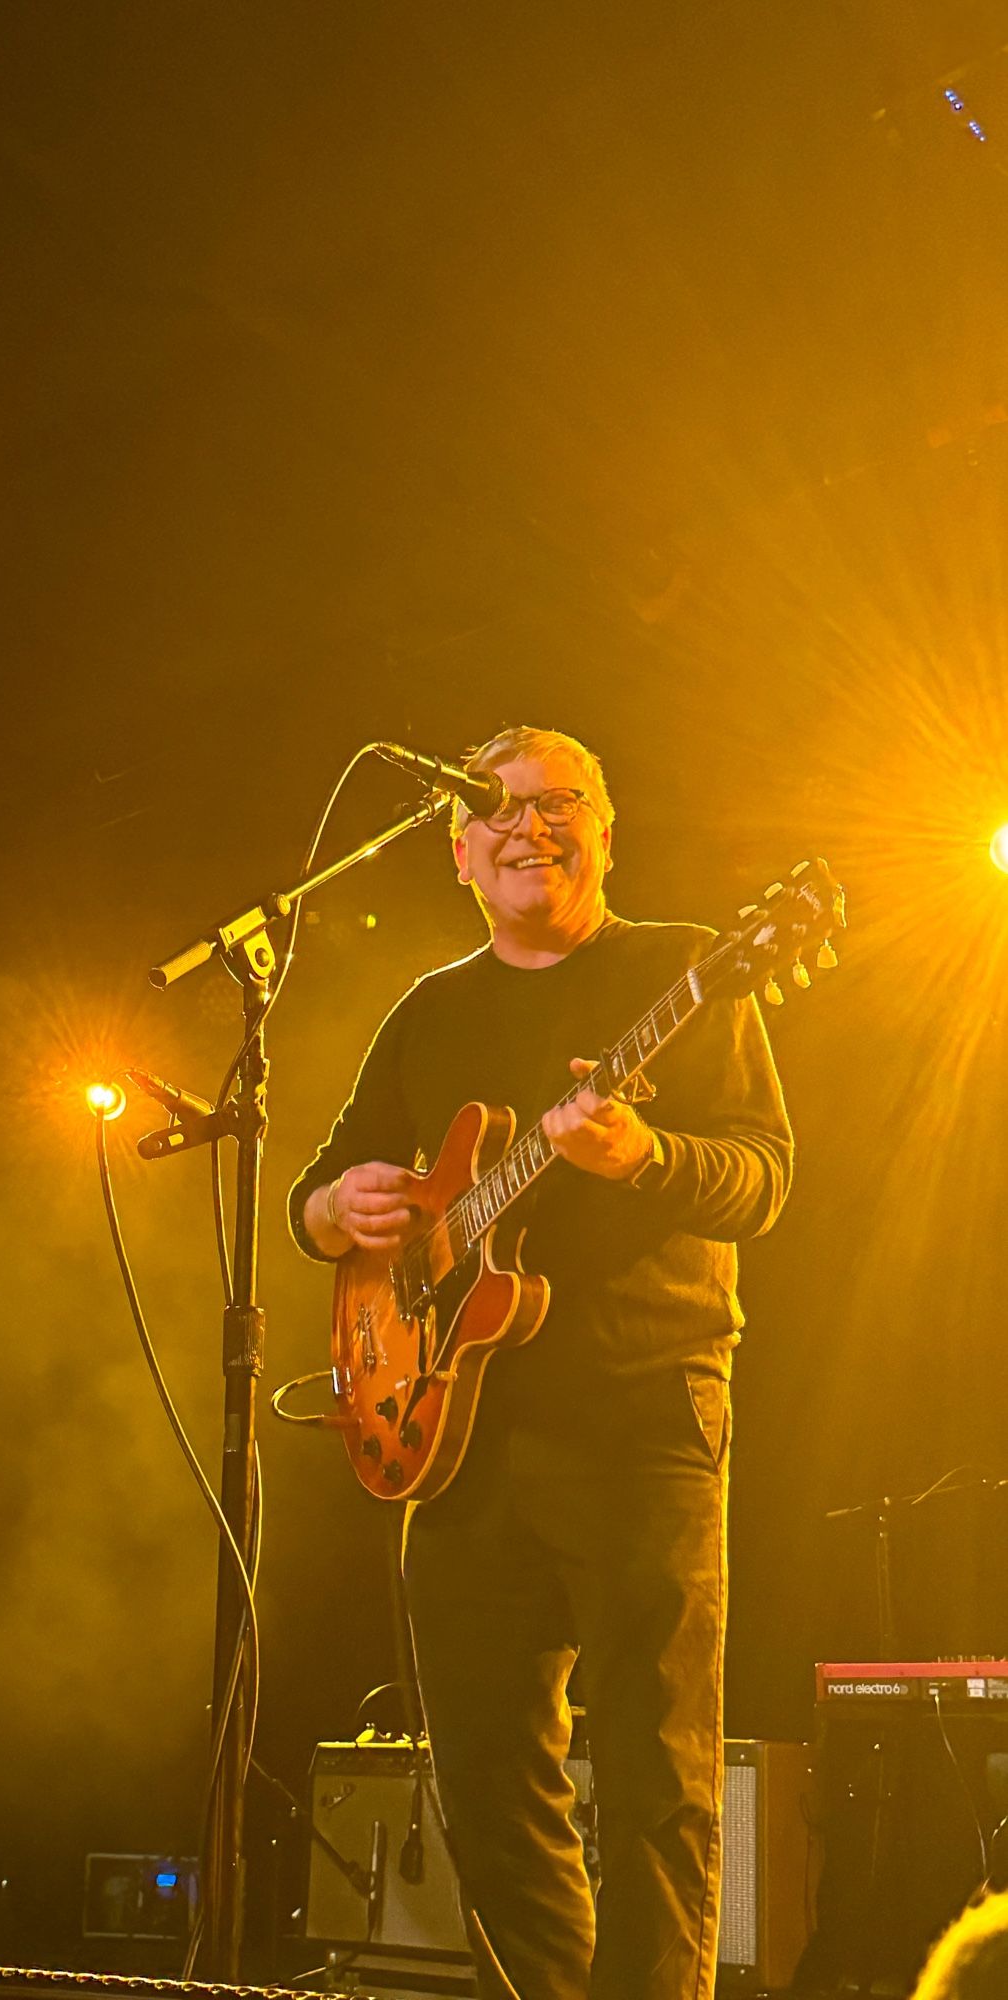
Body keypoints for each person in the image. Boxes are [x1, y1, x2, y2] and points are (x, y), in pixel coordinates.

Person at [288, 726, 793, 2000]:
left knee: (654, 1775)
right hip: (456, 1435)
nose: (530, 826)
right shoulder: (430, 1007)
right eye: (500, 810)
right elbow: (320, 1185)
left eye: (560, 802)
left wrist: (647, 1158)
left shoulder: (689, 970)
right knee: (486, 1786)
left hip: (643, 1411)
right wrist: (334, 1210)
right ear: (460, 852)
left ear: (605, 830)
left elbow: (762, 1178)